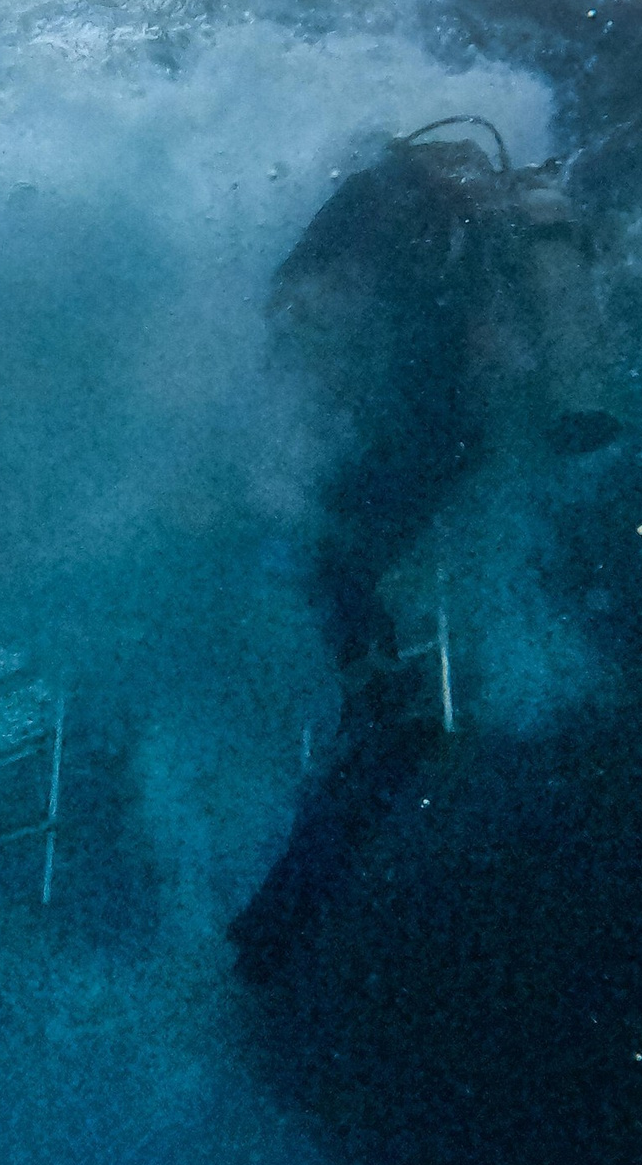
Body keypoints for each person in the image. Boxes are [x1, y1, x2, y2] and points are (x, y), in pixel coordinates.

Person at [230, 121, 619, 981]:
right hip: (461, 431)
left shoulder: (376, 200)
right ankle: (379, 693)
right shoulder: (486, 214)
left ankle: (379, 695)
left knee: (328, 548)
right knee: (344, 544)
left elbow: (293, 296)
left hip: (425, 425)